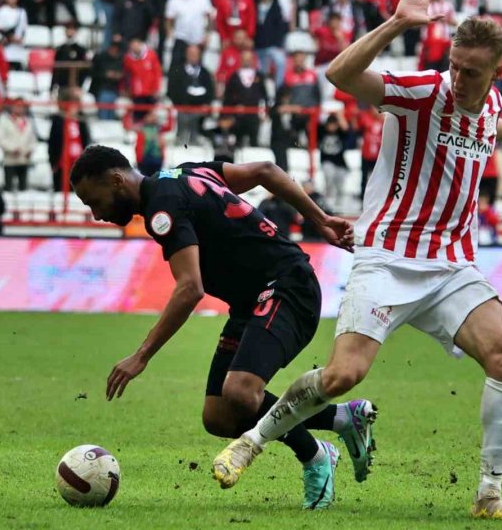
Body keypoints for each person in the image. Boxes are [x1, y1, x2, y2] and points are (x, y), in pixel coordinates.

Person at [213, 0, 502, 523]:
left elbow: (488, 124)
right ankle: (252, 442)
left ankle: (489, 495)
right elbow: (340, 75)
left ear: (496, 74)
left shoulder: (490, 102)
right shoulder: (424, 91)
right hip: (387, 260)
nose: (459, 77)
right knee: (342, 378)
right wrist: (398, 23)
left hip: (451, 266)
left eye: (471, 71)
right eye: (455, 64)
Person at [70, 145, 374, 509]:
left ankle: (315, 457)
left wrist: (142, 356)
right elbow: (264, 168)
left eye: (94, 201)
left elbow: (190, 289)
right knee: (219, 415)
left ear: (117, 180)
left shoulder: (161, 209)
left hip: (287, 287)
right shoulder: (187, 173)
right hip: (252, 302)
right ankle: (343, 418)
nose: (96, 214)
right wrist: (320, 218)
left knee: (242, 393)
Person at [49, 89, 91, 192]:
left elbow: (86, 141)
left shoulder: (82, 121)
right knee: (60, 190)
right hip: (62, 164)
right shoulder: (58, 121)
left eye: (75, 105)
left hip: (78, 163)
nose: (73, 108)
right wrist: (53, 162)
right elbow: (52, 143)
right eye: (71, 105)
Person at [0, 98, 37, 192]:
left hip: (24, 160)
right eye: (17, 105)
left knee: (23, 190)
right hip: (10, 160)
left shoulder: (28, 121)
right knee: (8, 189)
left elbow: (33, 139)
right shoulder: (4, 120)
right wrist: (12, 149)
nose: (19, 108)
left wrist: (30, 150)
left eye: (21, 106)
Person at [318, 111, 349, 212]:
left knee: (340, 185)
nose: (331, 127)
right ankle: (328, 203)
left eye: (333, 125)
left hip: (340, 163)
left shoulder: (340, 132)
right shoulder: (322, 131)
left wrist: (339, 115)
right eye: (329, 125)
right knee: (329, 177)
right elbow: (316, 121)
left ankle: (339, 205)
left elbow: (346, 128)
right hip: (327, 161)